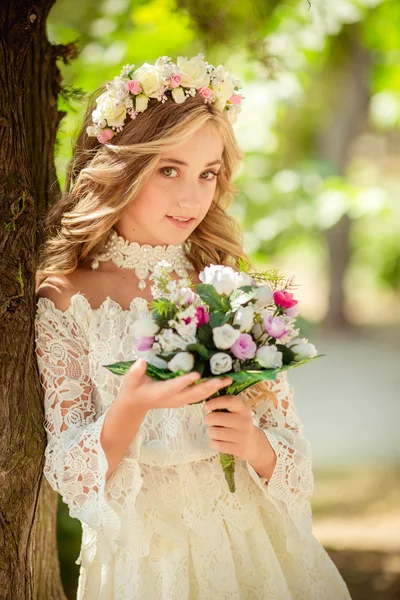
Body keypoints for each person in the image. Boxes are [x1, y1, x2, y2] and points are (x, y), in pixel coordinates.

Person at [34, 54, 352, 599]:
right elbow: (67, 473)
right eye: (168, 169)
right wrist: (131, 405)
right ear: (121, 167)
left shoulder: (224, 284)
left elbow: (295, 461)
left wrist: (254, 446)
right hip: (146, 562)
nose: (192, 197)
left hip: (255, 548)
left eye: (207, 173)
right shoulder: (68, 297)